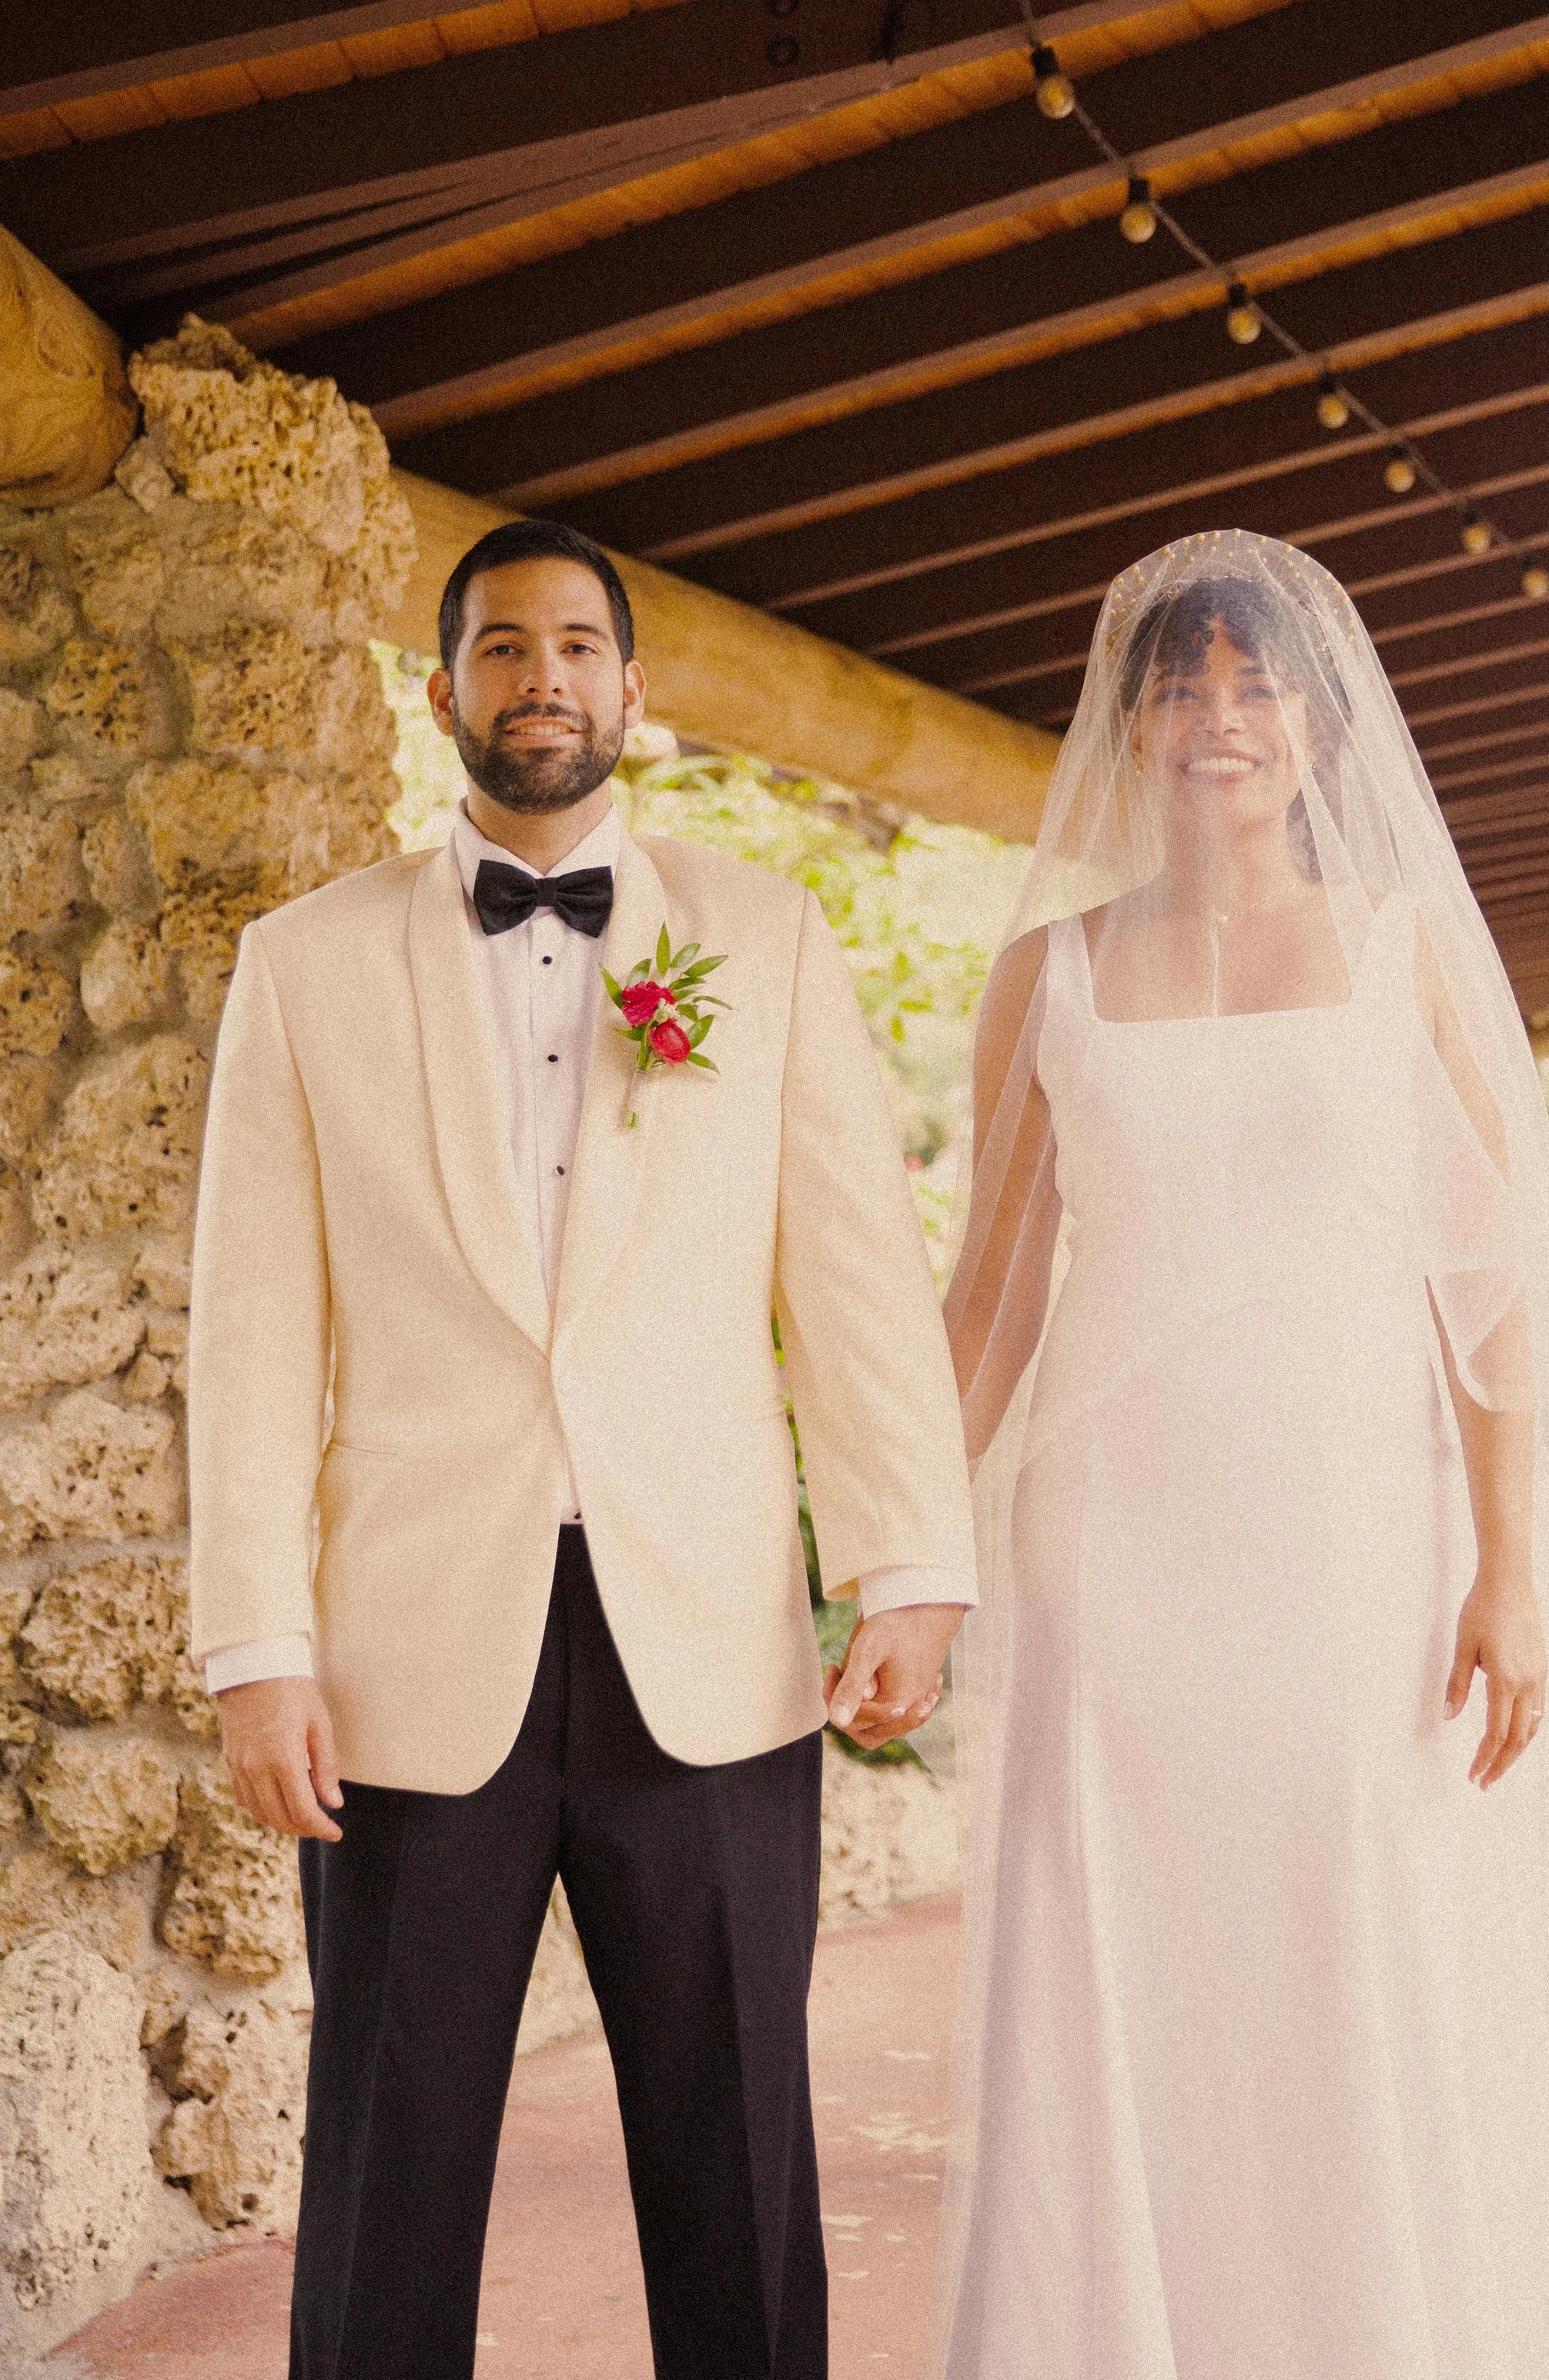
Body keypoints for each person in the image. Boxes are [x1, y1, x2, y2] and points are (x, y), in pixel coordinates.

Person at [928, 530, 1549, 2380]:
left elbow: (1494, 1280)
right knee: (1121, 1954)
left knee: (1351, 1929)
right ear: (1129, 721)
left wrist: (1509, 1569)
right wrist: (904, 1549)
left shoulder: (1403, 955)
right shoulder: (1046, 972)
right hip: (1110, 1543)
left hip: (1342, 1539)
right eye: (1181, 685)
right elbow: (985, 1295)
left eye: (1256, 685)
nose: (1219, 718)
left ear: (1317, 720)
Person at [187, 519, 976, 2380]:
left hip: (702, 1639)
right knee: (390, 2155)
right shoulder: (300, 965)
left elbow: (850, 1272)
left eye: (574, 644)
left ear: (634, 689)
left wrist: (909, 1564)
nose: (538, 674)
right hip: (405, 1652)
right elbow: (248, 1332)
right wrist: (253, 1648)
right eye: (496, 645)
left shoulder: (765, 941)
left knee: (738, 2160)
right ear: (442, 687)